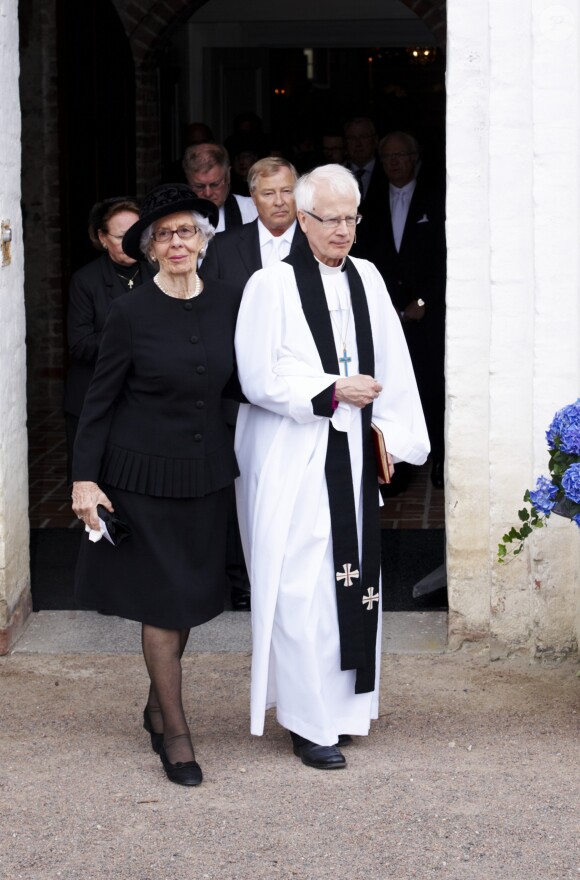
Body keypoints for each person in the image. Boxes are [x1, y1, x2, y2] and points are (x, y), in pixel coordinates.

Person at [234, 164, 429, 770]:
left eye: (352, 218)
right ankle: (305, 718)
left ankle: (344, 712)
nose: (343, 231)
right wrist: (331, 390)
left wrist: (393, 432)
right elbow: (258, 376)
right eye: (331, 219)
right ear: (302, 217)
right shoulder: (271, 286)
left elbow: (393, 358)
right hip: (296, 457)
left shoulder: (368, 278)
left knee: (353, 581)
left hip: (349, 455)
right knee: (301, 586)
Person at [71, 183, 242, 787]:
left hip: (206, 475)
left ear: (203, 241)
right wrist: (84, 479)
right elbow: (100, 399)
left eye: (186, 232)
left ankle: (153, 703)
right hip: (142, 476)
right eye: (164, 235)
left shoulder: (229, 300)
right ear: (148, 249)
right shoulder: (130, 311)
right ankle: (175, 732)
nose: (177, 243)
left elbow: (246, 382)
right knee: (164, 605)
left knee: (190, 601)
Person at [201, 157, 303, 610]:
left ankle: (295, 577)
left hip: (304, 390)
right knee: (243, 488)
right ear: (252, 198)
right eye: (268, 193)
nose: (279, 201)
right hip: (240, 394)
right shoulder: (225, 248)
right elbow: (213, 317)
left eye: (287, 191)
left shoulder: (318, 238)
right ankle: (244, 580)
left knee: (298, 488)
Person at [371, 131, 446, 488]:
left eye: (401, 156)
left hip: (425, 317)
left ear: (415, 158)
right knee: (391, 387)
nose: (395, 163)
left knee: (430, 386)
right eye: (388, 157)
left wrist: (424, 300)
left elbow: (446, 258)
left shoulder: (437, 199)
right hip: (385, 314)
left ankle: (437, 459)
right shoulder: (369, 203)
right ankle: (397, 467)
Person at [64, 197, 154, 484]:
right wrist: (129, 340)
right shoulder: (85, 280)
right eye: (119, 236)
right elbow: (80, 344)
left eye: (135, 232)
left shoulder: (159, 272)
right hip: (95, 397)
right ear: (102, 238)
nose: (130, 241)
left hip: (145, 399)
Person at [182, 142, 258, 232]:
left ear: (228, 176)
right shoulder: (175, 216)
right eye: (199, 186)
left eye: (215, 184)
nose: (208, 193)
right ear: (188, 180)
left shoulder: (254, 210)